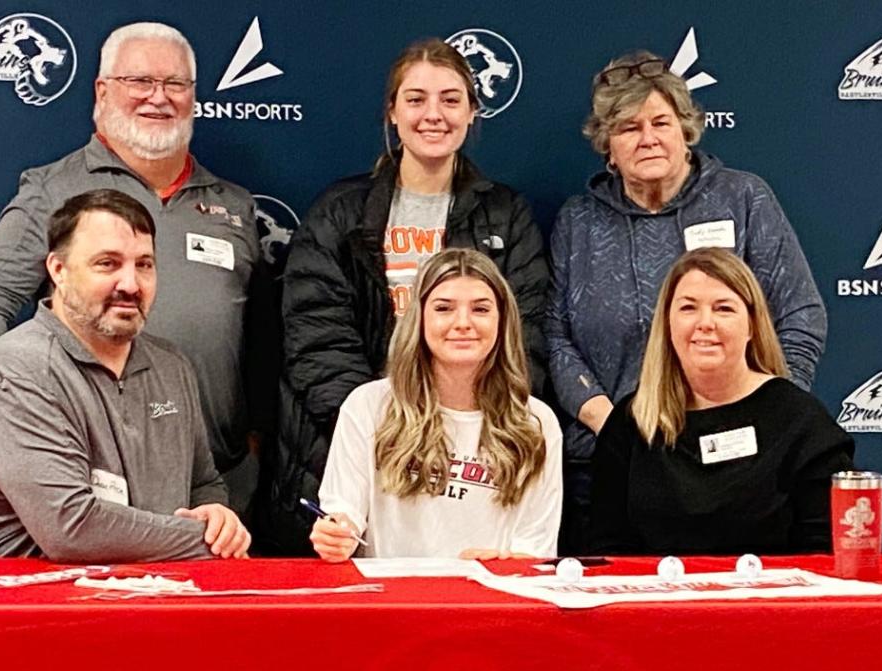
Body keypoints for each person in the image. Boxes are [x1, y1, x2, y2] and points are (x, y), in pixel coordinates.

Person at [0, 22, 266, 516]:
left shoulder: (233, 204)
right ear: (102, 91)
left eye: (175, 85)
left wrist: (253, 441)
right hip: (91, 487)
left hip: (214, 483)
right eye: (140, 82)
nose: (158, 98)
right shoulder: (53, 189)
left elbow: (255, 335)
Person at [267, 38, 548, 555]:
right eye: (416, 99)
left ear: (471, 113)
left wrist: (458, 435)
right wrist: (388, 428)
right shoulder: (339, 212)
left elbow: (523, 334)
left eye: (450, 99)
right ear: (392, 113)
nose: (433, 115)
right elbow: (316, 338)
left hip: (472, 462)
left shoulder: (505, 215)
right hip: (357, 449)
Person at [545, 51, 827, 551]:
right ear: (608, 147)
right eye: (629, 127)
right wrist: (621, 435)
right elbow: (556, 337)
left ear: (687, 129)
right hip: (614, 469)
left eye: (661, 122)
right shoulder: (578, 221)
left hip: (745, 470)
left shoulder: (743, 198)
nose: (647, 137)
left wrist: (769, 416)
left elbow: (800, 315)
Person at [0, 190, 250, 563]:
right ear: (58, 270)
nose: (130, 284)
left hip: (155, 600)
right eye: (107, 264)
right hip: (34, 610)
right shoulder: (20, 368)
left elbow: (203, 484)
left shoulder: (171, 365)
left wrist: (216, 517)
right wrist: (205, 543)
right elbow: (72, 529)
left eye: (144, 264)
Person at [589, 248, 852, 556]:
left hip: (767, 601)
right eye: (688, 308)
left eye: (723, 308)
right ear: (667, 323)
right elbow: (606, 548)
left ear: (752, 325)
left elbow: (828, 551)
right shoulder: (631, 421)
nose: (705, 323)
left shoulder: (800, 421)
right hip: (657, 602)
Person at [311, 248, 561, 561]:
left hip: (489, 602)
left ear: (503, 321)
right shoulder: (367, 406)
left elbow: (536, 547)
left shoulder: (536, 422)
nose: (463, 323)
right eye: (444, 308)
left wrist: (509, 563)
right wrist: (336, 535)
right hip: (392, 602)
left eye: (481, 309)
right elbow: (342, 514)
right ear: (419, 319)